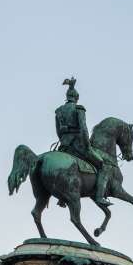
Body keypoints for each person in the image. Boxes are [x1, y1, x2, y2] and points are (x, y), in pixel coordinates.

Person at [55, 77, 112, 206]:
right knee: (103, 165)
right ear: (76, 97)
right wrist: (87, 144)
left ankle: (61, 197)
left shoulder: (58, 111)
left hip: (64, 146)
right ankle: (99, 197)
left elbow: (58, 131)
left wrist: (64, 140)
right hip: (78, 145)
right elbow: (83, 128)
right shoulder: (79, 109)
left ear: (67, 96)